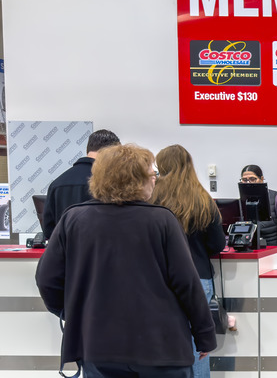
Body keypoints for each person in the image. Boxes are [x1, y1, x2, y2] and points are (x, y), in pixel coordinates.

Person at [35, 144, 216, 378]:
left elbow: (46, 280)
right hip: (160, 347)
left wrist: (76, 313)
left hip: (98, 346)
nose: (155, 180)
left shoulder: (73, 219)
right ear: (136, 180)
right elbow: (187, 285)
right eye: (152, 175)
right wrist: (204, 335)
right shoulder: (162, 220)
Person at [150, 145, 226, 378]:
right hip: (198, 277)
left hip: (158, 279)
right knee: (198, 345)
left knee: (159, 341)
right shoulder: (202, 199)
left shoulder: (151, 198)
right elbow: (216, 244)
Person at [41, 129, 120, 239]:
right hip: (99, 252)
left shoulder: (57, 184)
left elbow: (49, 230)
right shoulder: (111, 182)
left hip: (67, 253)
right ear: (111, 152)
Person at [240, 165, 277, 262]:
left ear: (261, 179)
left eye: (253, 179)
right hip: (254, 254)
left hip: (276, 253)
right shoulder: (242, 201)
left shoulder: (276, 198)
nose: (248, 183)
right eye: (244, 180)